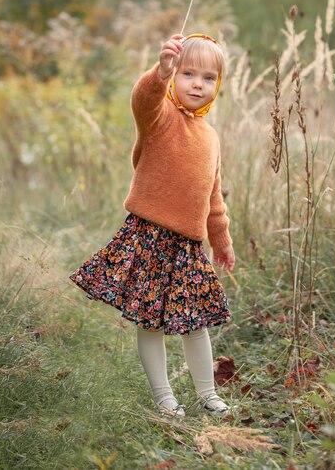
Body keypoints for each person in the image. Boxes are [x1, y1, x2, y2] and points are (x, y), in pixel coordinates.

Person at [68, 33, 235, 418]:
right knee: (151, 321)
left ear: (217, 86)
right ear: (175, 76)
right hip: (149, 236)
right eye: (188, 73)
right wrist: (160, 72)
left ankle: (207, 395)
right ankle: (164, 397)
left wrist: (221, 240)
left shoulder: (210, 137)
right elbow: (143, 99)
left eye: (209, 78)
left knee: (196, 323)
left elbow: (213, 197)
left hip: (188, 246)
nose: (198, 83)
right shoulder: (159, 118)